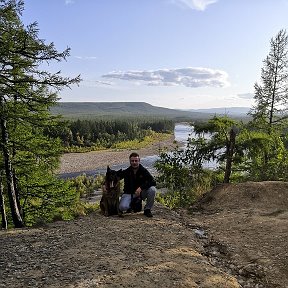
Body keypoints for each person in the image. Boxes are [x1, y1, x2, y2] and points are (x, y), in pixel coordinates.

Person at [118, 152, 156, 218]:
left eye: (136, 160)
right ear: (130, 161)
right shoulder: (127, 171)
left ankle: (147, 209)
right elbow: (116, 177)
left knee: (152, 190)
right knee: (122, 207)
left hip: (140, 193)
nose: (134, 162)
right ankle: (131, 206)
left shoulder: (143, 170)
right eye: (132, 161)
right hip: (129, 193)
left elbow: (153, 181)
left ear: (139, 161)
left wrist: (141, 188)